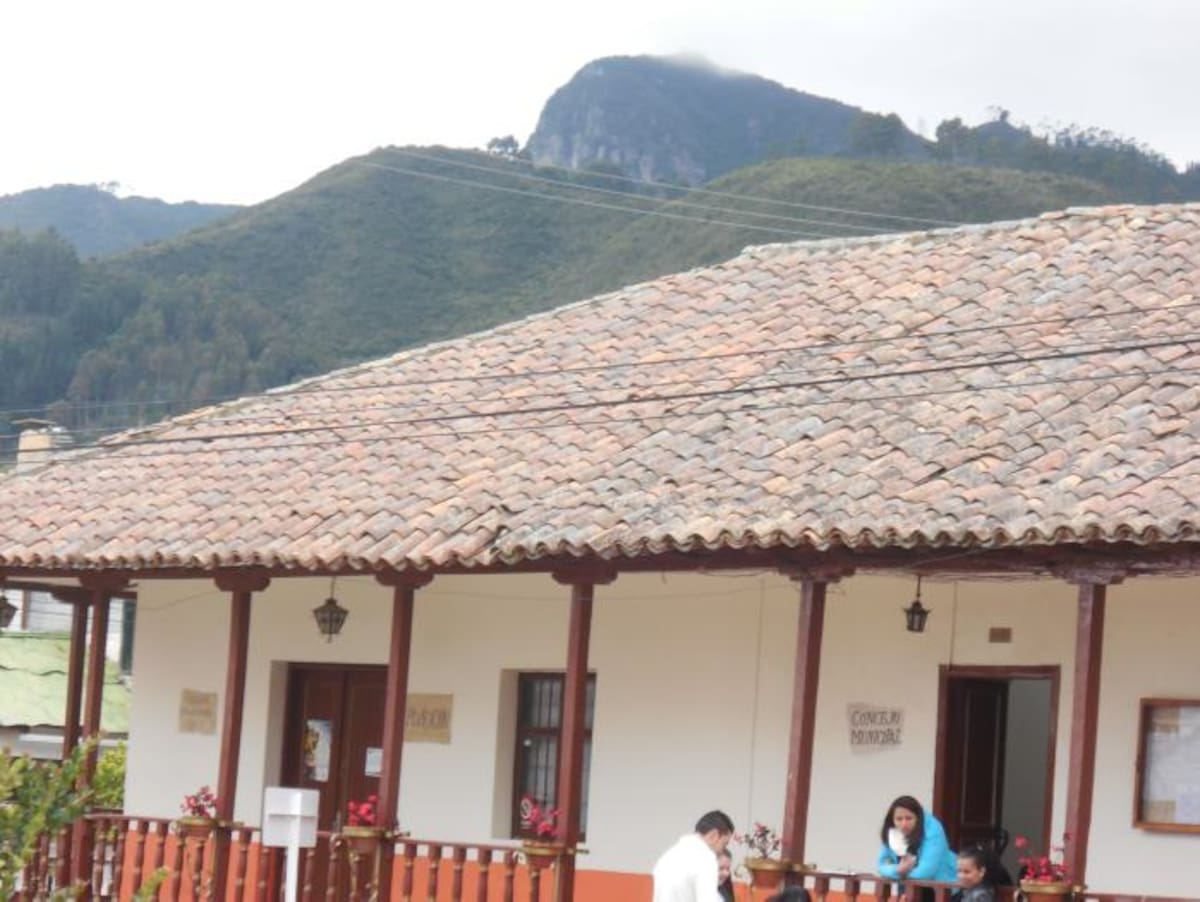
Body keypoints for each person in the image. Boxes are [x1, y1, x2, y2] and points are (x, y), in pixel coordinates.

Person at [653, 810, 736, 902]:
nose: (721, 851)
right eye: (724, 844)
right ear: (714, 835)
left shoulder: (667, 857)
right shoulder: (705, 859)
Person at [876, 795, 957, 883]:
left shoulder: (933, 829)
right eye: (899, 819)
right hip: (909, 884)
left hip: (944, 883)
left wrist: (901, 874)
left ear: (918, 818)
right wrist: (897, 870)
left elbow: (927, 869)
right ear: (892, 820)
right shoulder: (891, 831)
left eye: (909, 818)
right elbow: (882, 865)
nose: (904, 824)